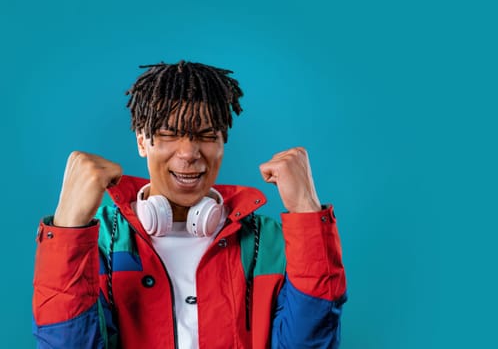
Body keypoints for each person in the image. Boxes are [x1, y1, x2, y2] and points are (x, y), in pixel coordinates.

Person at [32, 60, 347, 348]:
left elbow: (310, 342)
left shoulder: (271, 244)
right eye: (169, 134)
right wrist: (68, 230)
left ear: (223, 142)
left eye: (207, 135)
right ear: (142, 141)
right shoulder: (99, 242)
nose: (189, 153)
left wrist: (306, 213)